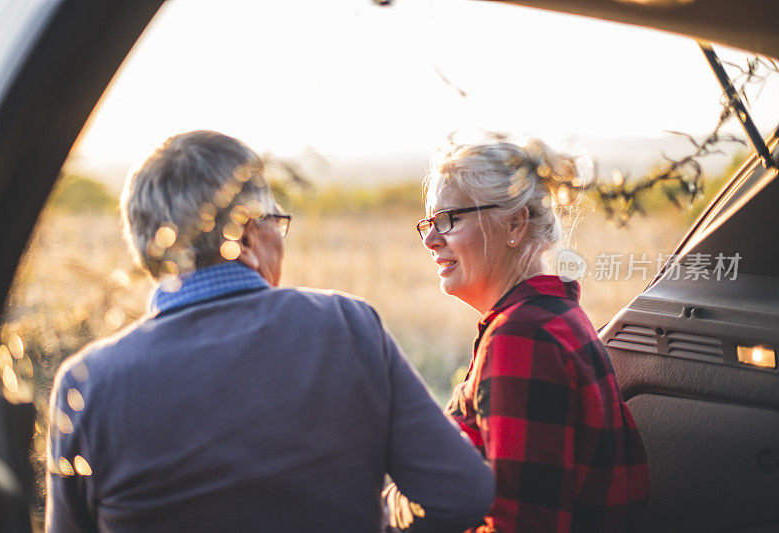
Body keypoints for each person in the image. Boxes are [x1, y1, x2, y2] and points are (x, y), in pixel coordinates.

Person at [46, 130, 494, 532]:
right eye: (276, 223)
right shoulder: (346, 327)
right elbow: (463, 496)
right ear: (243, 235)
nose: (280, 239)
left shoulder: (86, 384)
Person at [413, 140, 650, 532]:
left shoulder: (521, 339)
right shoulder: (556, 316)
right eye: (429, 222)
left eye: (450, 218)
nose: (430, 239)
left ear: (515, 225)